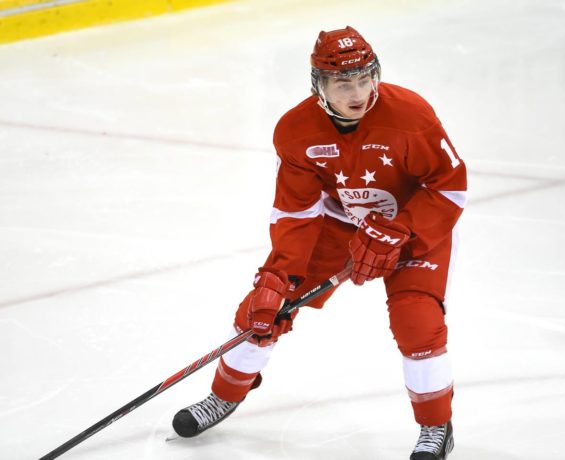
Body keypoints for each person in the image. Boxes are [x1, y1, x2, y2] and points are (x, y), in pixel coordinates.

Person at [172, 26, 466, 460]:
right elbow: (296, 212)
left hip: (413, 227)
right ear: (319, 86)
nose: (359, 93)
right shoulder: (296, 131)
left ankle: (437, 428)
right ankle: (224, 395)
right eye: (344, 83)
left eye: (365, 79)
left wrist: (402, 228)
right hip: (339, 225)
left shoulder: (411, 116)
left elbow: (448, 186)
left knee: (417, 323)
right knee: (263, 308)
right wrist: (279, 274)